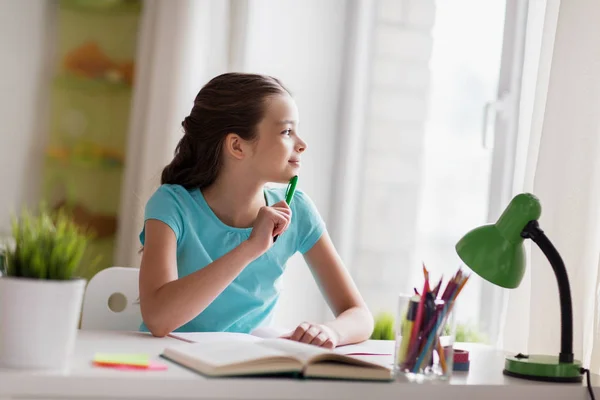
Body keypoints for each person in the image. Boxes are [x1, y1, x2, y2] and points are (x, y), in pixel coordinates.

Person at [138, 73, 373, 348]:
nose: (302, 144)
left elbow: (359, 315)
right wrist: (251, 247)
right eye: (287, 131)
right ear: (237, 145)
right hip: (169, 365)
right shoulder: (171, 204)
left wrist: (332, 332)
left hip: (245, 372)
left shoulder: (297, 209)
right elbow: (158, 319)